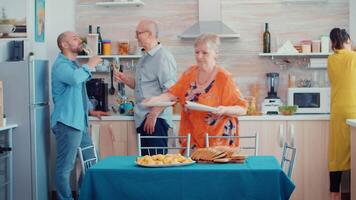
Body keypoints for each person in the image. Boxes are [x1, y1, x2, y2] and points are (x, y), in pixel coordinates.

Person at [144, 33, 247, 151]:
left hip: (219, 142)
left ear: (216, 53)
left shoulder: (224, 78)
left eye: (204, 53)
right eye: (197, 52)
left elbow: (242, 108)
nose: (199, 56)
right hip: (192, 139)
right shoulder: (189, 73)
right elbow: (172, 94)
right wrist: (154, 100)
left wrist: (224, 109)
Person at [51, 31, 108, 200]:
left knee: (92, 161)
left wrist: (90, 109)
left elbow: (79, 92)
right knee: (65, 168)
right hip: (67, 123)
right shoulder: (61, 65)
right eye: (75, 38)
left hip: (79, 123)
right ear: (64, 45)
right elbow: (75, 80)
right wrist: (90, 64)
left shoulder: (74, 64)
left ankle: (84, 195)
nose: (79, 40)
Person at [114, 19, 177, 155]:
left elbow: (172, 91)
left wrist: (153, 114)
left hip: (156, 120)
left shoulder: (163, 57)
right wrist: (125, 79)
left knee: (157, 166)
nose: (136, 36)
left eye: (138, 33)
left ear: (149, 34)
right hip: (143, 119)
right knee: (146, 165)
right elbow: (141, 86)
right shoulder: (144, 57)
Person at [327, 28, 356, 200]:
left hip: (338, 111)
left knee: (336, 155)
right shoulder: (354, 57)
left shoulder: (331, 59)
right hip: (354, 111)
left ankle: (334, 194)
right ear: (347, 41)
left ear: (332, 44)